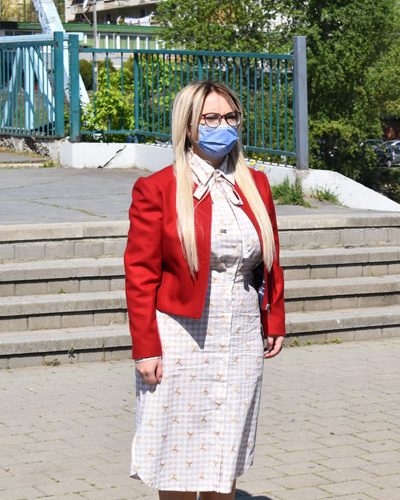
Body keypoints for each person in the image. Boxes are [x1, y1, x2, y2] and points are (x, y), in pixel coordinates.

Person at [124, 81, 286, 499]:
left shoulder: (255, 184)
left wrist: (274, 319)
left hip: (241, 335)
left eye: (230, 117)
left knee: (224, 454)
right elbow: (140, 274)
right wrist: (146, 348)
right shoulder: (158, 188)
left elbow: (271, 259)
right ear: (188, 125)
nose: (222, 126)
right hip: (181, 337)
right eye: (210, 118)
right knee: (177, 459)